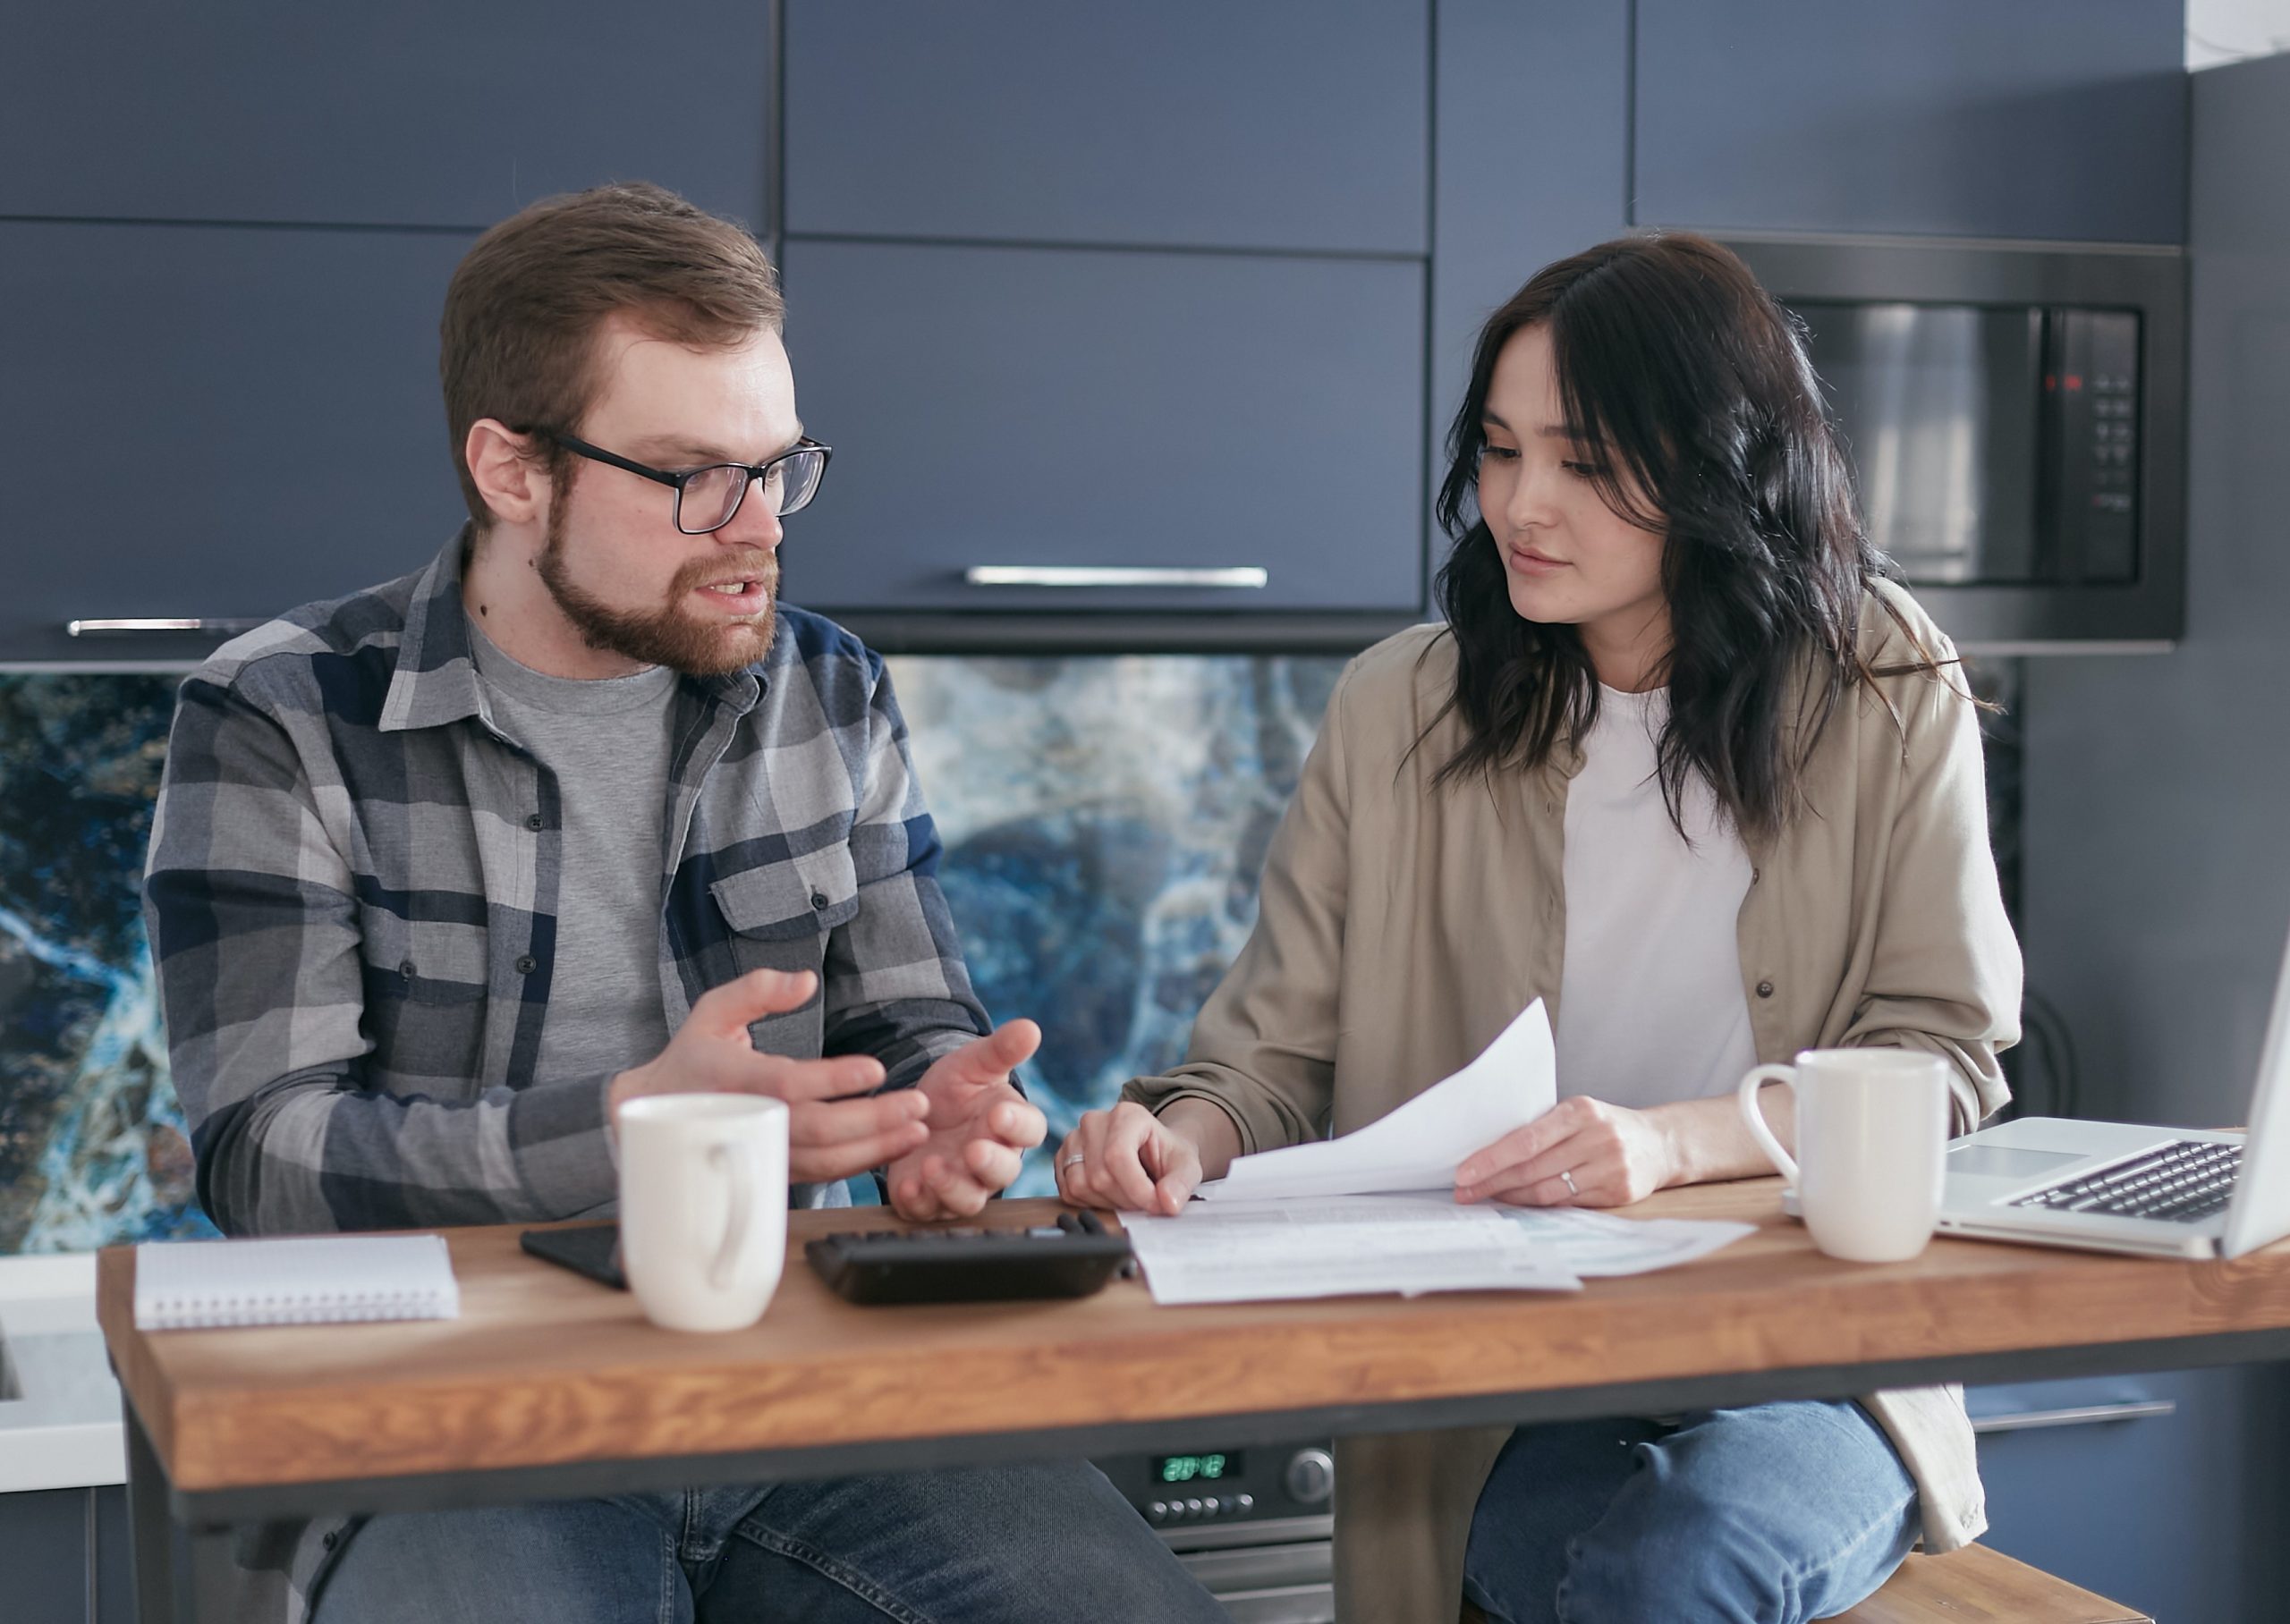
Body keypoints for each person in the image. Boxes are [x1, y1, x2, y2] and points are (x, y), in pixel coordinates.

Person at [143, 182, 1223, 1624]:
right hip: (460, 1423)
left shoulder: (827, 688)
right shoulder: (281, 713)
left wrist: (942, 1128)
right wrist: (632, 1136)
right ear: (513, 471)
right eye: (696, 477)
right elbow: (263, 1162)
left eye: (778, 469)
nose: (758, 528)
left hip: (817, 1399)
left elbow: (914, 1020)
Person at [1056, 232, 2023, 1624]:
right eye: (1501, 452)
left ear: (1715, 463)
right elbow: (1267, 1065)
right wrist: (1171, 1140)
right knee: (1604, 1577)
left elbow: (1944, 1059)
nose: (1523, 503)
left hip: (1804, 1351)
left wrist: (1668, 1143)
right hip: (1506, 1377)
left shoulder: (1885, 682)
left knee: (1676, 1564)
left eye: (1582, 460)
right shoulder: (1401, 710)